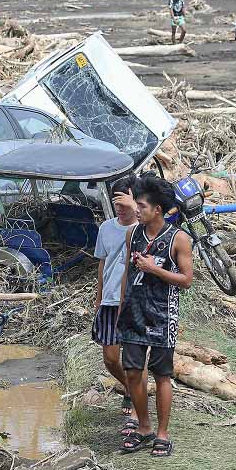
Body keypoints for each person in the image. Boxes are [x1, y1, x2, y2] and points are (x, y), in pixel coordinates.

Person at [116, 175, 193, 457]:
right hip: (133, 314)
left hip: (163, 316)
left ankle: (162, 433)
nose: (137, 210)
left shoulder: (178, 239)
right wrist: (120, 307)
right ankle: (144, 427)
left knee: (161, 375)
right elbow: (127, 272)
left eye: (142, 206)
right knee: (134, 372)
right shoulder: (132, 235)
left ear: (157, 209)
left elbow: (186, 280)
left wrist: (155, 269)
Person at [92, 176, 143, 436]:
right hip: (110, 301)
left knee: (135, 360)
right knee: (111, 359)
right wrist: (99, 297)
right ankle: (130, 388)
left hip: (135, 302)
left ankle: (137, 404)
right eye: (117, 204)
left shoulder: (144, 229)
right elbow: (103, 264)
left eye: (125, 202)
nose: (120, 208)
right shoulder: (106, 229)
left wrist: (135, 210)